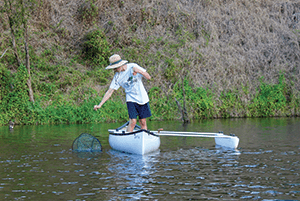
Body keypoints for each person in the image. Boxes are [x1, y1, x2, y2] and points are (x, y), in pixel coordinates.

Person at [93, 54, 152, 132]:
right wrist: (100, 104)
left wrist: (139, 71)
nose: (114, 70)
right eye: (113, 68)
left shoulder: (133, 66)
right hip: (130, 98)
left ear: (121, 65)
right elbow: (110, 91)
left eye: (115, 68)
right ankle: (128, 138)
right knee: (133, 121)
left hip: (142, 97)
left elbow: (148, 77)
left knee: (143, 122)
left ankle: (143, 136)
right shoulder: (117, 77)